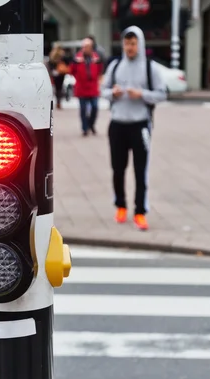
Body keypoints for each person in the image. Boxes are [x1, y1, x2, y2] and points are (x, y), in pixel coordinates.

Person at [100, 26, 167, 231]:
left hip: (140, 125)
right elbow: (102, 90)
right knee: (117, 169)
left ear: (140, 44)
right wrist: (114, 92)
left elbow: (162, 94)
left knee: (140, 171)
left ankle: (140, 211)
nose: (130, 47)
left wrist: (142, 94)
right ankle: (120, 205)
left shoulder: (150, 67)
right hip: (118, 124)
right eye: (126, 43)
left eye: (133, 43)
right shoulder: (116, 65)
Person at [70, 38, 104, 136]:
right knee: (83, 109)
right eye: (83, 46)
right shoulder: (77, 58)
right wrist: (75, 63)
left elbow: (100, 69)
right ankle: (85, 128)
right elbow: (71, 70)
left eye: (87, 47)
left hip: (93, 88)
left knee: (95, 107)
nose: (85, 49)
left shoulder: (96, 58)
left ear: (91, 47)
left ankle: (91, 124)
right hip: (82, 88)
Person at [47, 44, 71, 109]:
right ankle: (59, 102)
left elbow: (50, 63)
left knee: (57, 88)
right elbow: (68, 62)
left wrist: (52, 71)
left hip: (55, 73)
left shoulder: (52, 54)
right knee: (60, 87)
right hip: (61, 73)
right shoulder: (62, 55)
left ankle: (58, 101)